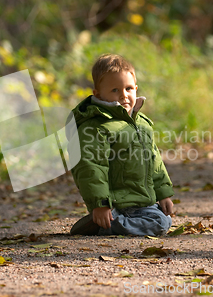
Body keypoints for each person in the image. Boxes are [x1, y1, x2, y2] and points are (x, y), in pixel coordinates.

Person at [67, 53, 174, 236]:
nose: (124, 95)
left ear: (136, 89)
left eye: (129, 89)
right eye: (115, 90)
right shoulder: (96, 126)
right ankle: (105, 224)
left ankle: (109, 225)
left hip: (142, 202)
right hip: (116, 204)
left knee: (165, 218)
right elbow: (90, 168)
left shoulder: (141, 123)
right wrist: (100, 205)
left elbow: (154, 161)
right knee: (160, 223)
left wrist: (163, 193)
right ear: (97, 94)